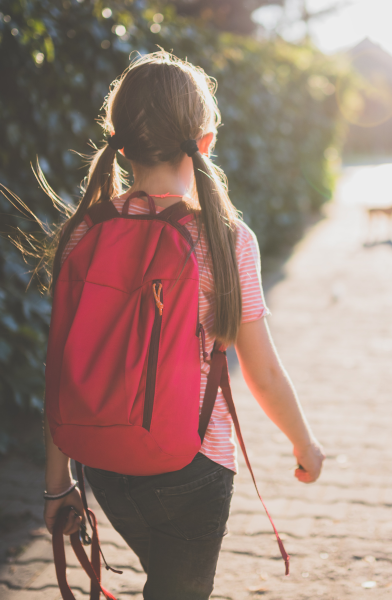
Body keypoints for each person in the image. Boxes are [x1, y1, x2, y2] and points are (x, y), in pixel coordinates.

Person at [42, 51, 325, 600]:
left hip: (102, 462)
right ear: (207, 138)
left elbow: (61, 366)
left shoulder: (84, 232)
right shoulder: (226, 239)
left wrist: (58, 487)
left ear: (118, 142)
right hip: (192, 466)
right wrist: (304, 444)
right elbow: (262, 370)